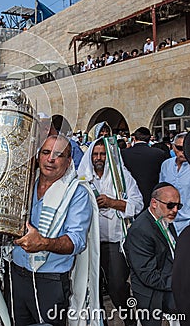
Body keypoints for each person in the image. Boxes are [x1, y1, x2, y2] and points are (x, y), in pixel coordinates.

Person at [10, 135, 99, 326]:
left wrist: (43, 243)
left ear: (68, 162)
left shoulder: (76, 193)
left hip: (50, 281)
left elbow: (76, 241)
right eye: (46, 152)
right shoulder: (24, 185)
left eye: (59, 155)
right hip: (17, 275)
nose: (51, 159)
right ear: (38, 156)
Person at [77, 138, 143, 325]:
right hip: (90, 243)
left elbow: (138, 204)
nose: (99, 158)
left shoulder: (121, 176)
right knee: (93, 288)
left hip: (114, 241)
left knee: (117, 287)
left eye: (103, 154)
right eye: (95, 154)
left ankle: (130, 321)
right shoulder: (82, 178)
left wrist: (112, 203)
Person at [124, 182, 180, 326]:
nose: (175, 210)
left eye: (178, 206)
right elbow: (148, 275)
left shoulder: (164, 217)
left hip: (168, 284)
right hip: (152, 295)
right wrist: (180, 283)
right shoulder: (140, 230)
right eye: (170, 205)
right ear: (154, 203)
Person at [122, 127, 167, 208]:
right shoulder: (159, 153)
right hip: (151, 195)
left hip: (130, 196)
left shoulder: (124, 153)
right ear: (149, 139)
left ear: (134, 138)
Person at [159, 132, 190, 234]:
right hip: (168, 221)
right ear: (173, 147)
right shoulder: (166, 165)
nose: (184, 152)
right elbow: (161, 191)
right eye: (180, 148)